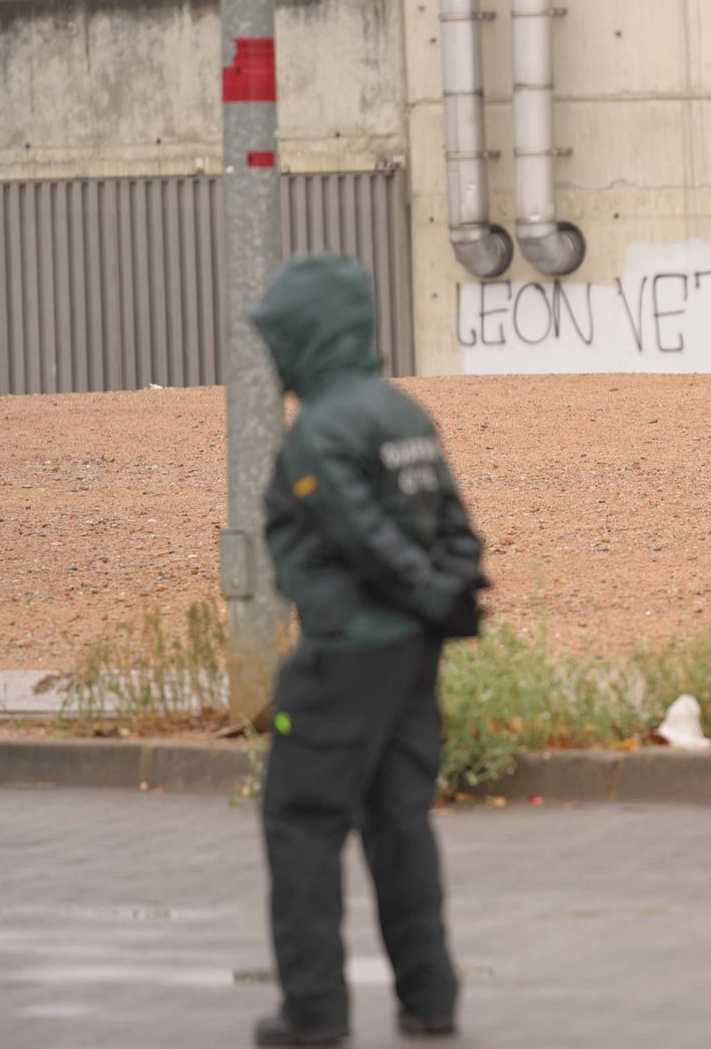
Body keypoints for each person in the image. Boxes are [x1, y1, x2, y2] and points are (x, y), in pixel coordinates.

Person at [249, 254, 487, 1046]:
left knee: (301, 822)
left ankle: (314, 1013)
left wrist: (419, 592)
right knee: (400, 823)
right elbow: (454, 527)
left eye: (281, 340)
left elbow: (362, 537)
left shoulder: (321, 430)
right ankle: (431, 999)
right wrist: (448, 600)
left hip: (345, 656)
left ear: (309, 337)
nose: (276, 359)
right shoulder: (403, 415)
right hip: (412, 656)